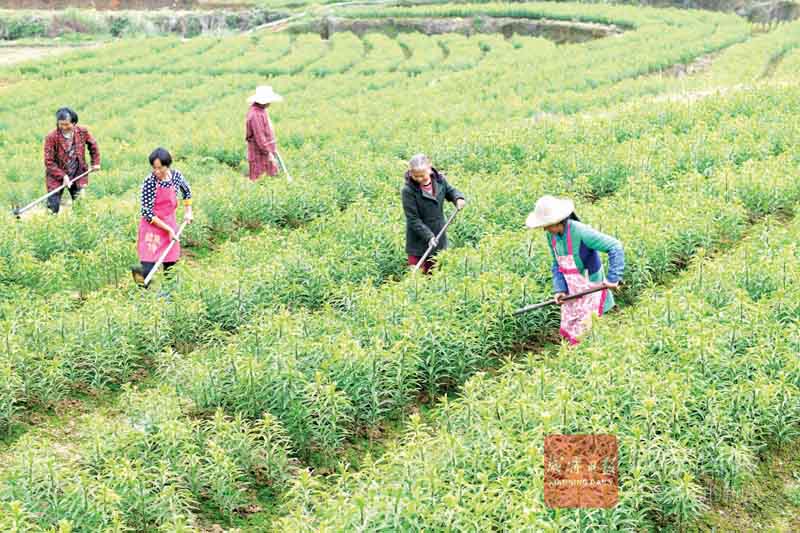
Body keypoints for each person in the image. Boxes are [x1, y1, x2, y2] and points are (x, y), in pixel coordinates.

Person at [525, 195, 625, 345]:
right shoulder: (551, 236)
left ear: (557, 221)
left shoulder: (580, 231)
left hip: (590, 287)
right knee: (572, 330)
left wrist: (612, 278)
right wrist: (560, 289)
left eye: (546, 224)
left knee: (588, 333)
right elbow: (557, 263)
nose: (545, 228)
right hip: (572, 288)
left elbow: (615, 246)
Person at [131, 148, 193, 287]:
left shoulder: (176, 176)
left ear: (168, 165)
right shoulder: (149, 182)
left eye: (161, 168)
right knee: (147, 265)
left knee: (170, 264)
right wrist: (168, 229)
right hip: (152, 226)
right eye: (154, 168)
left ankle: (170, 298)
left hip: (169, 223)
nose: (157, 172)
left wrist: (188, 211)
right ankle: (139, 295)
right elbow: (147, 213)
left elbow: (186, 192)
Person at [401, 154, 466, 274]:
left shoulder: (439, 181)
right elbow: (413, 219)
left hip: (438, 234)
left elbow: (450, 191)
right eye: (416, 176)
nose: (420, 179)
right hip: (418, 239)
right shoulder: (408, 191)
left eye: (423, 176)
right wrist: (429, 236)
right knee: (418, 277)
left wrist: (458, 198)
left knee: (436, 273)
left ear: (429, 169)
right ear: (410, 173)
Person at [43, 107, 100, 214]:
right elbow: (48, 162)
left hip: (77, 173)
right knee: (53, 206)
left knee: (80, 205)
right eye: (61, 124)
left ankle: (80, 224)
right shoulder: (51, 137)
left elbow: (93, 145)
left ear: (74, 123)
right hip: (56, 175)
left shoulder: (82, 132)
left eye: (67, 124)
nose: (64, 127)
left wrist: (95, 162)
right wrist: (63, 176)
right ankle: (50, 225)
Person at [245, 85, 283, 181]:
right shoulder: (255, 115)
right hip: (259, 154)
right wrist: (269, 153)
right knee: (261, 180)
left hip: (265, 152)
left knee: (270, 178)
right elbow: (260, 137)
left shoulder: (262, 110)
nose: (270, 103)